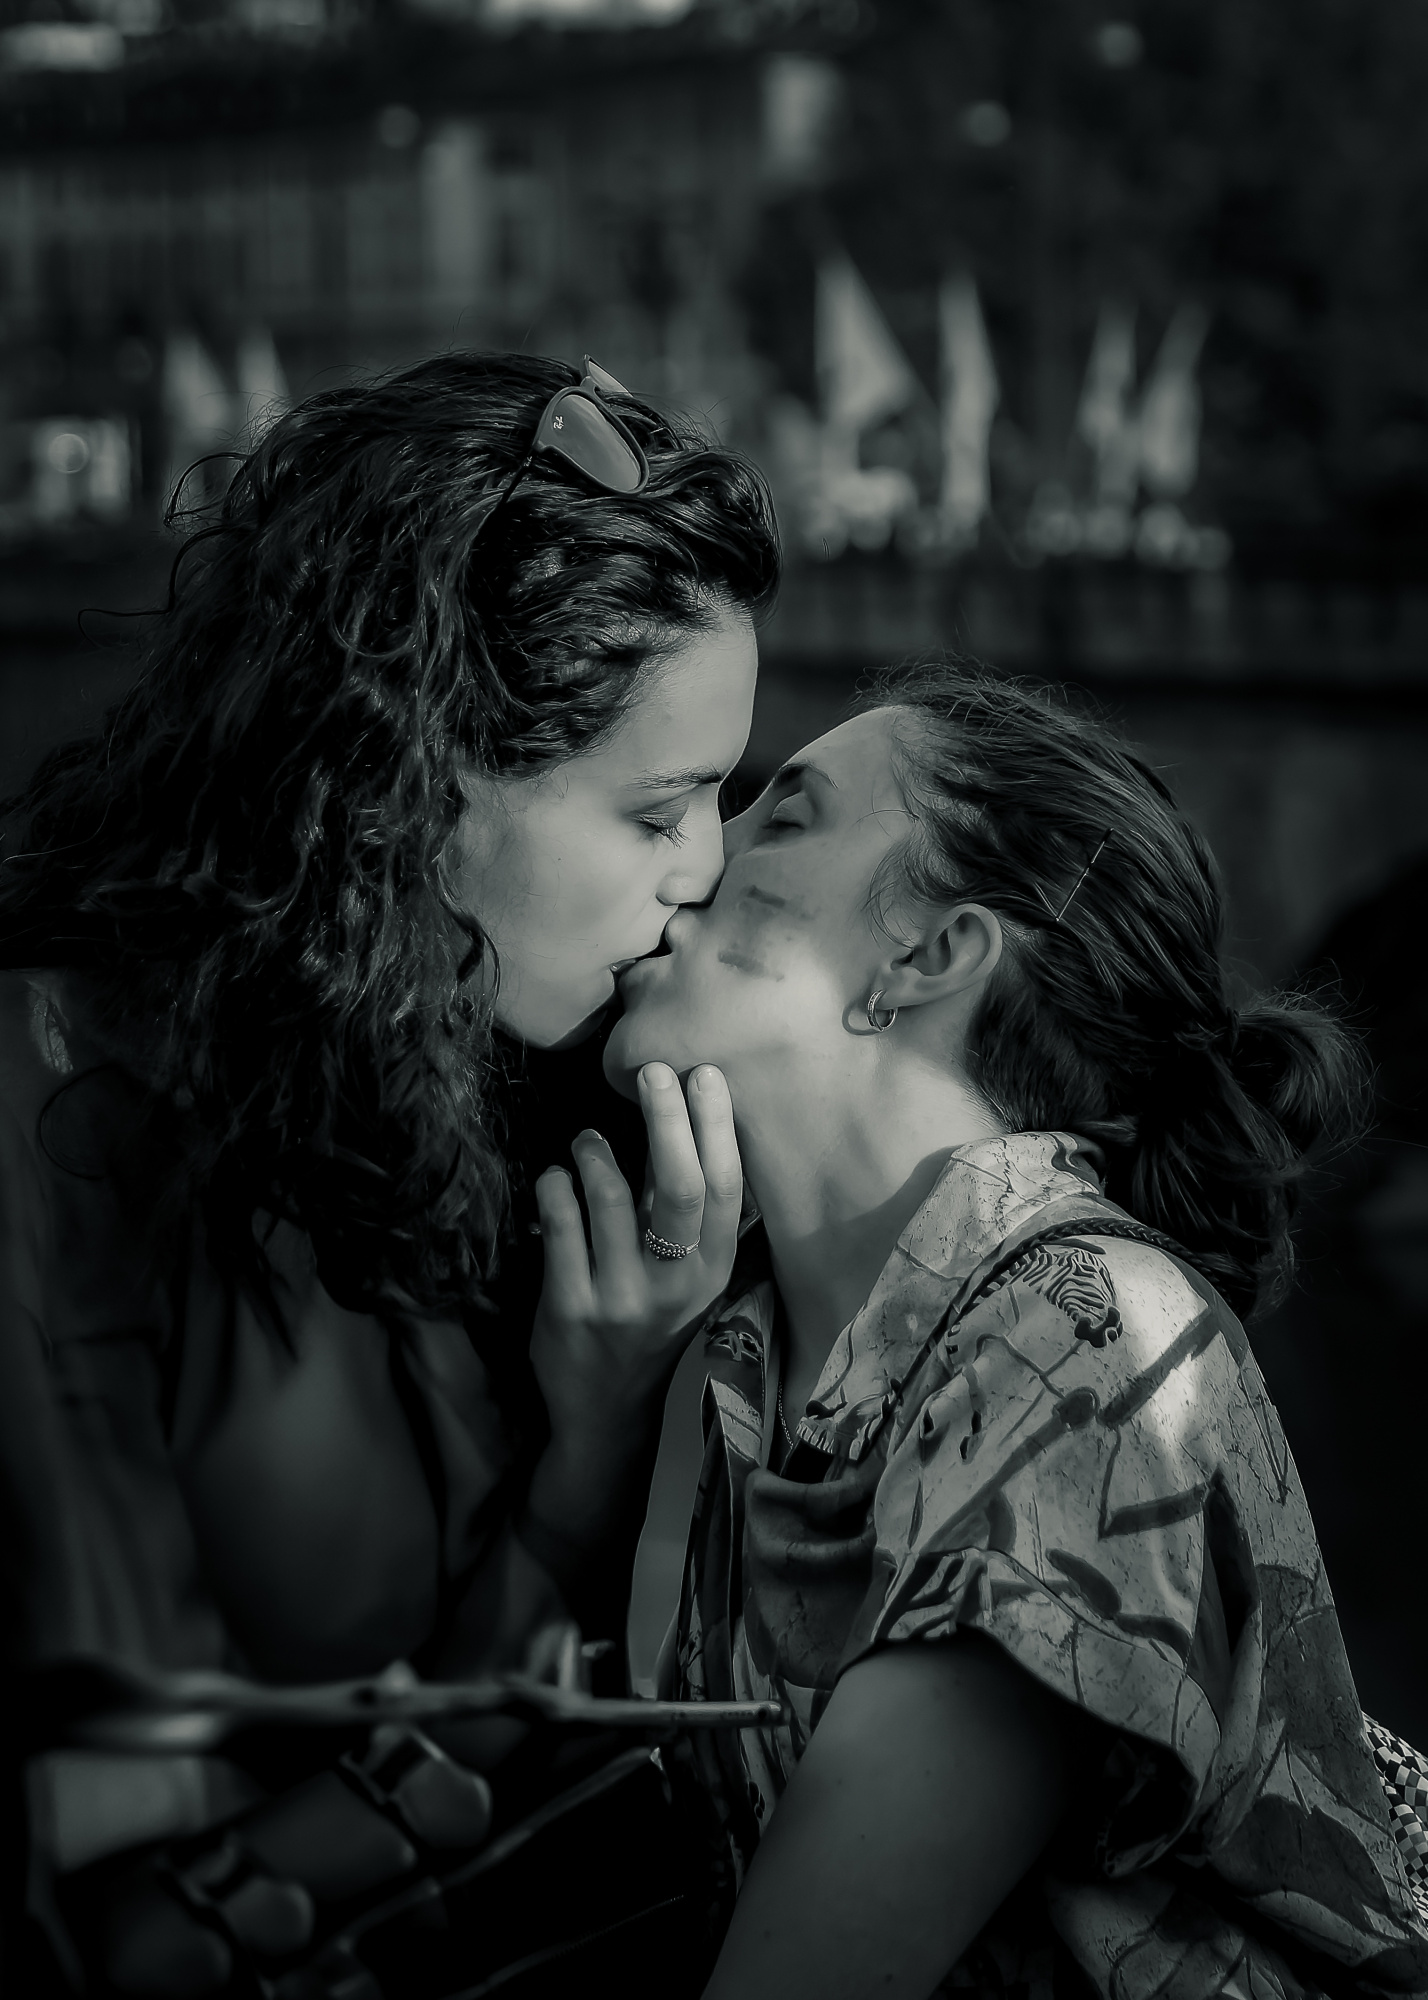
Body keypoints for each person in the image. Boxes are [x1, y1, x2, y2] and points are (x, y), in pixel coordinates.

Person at [0, 351, 777, 1994]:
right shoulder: (57, 1126)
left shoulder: (503, 1084)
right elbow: (133, 1926)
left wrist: (602, 1429)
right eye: (660, 814)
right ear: (413, 780)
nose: (705, 874)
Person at [567, 658, 1428, 1999]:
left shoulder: (1090, 1347)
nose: (695, 854)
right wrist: (601, 1421)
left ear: (929, 956)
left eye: (781, 815)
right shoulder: (736, 1358)